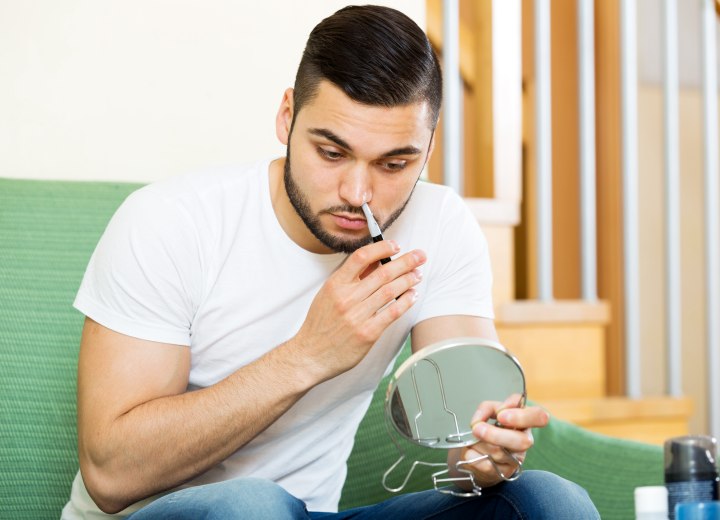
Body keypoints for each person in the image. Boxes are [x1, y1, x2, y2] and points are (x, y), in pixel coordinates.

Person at [61, 5, 599, 519]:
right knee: (252, 506)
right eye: (332, 152)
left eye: (394, 163)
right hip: (163, 517)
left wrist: (485, 460)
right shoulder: (172, 222)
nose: (358, 192)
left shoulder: (439, 226)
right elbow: (111, 478)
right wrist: (310, 355)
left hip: (312, 515)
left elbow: (465, 457)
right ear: (287, 116)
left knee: (548, 503)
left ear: (427, 150)